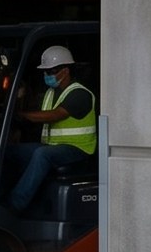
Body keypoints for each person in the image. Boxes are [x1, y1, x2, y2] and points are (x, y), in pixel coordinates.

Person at [8, 44, 97, 213]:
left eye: (51, 71)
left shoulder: (79, 94)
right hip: (55, 146)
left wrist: (21, 115)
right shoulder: (50, 93)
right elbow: (39, 113)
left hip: (79, 149)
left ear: (65, 71)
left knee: (42, 154)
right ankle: (1, 196)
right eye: (45, 72)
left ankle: (15, 204)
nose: (47, 75)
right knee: (12, 151)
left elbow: (56, 115)